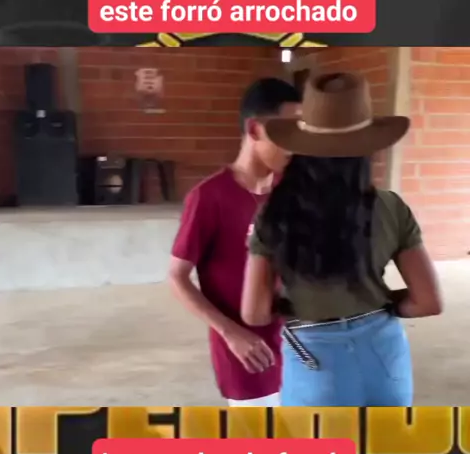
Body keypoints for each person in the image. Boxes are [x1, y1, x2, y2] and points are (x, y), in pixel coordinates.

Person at [241, 72, 443, 406]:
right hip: (384, 357)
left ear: (302, 145)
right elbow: (427, 302)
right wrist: (379, 304)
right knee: (388, 440)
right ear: (368, 148)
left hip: (315, 364)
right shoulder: (390, 207)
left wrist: (291, 302)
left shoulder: (275, 213)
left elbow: (255, 313)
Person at [168, 77, 301, 406]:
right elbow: (177, 277)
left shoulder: (291, 189)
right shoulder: (209, 197)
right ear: (255, 129)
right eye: (287, 132)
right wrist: (229, 332)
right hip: (247, 355)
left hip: (297, 346)